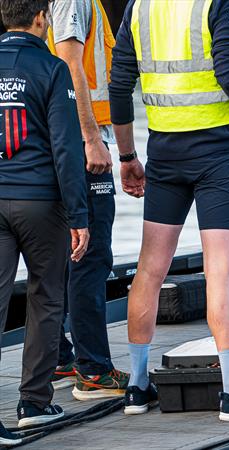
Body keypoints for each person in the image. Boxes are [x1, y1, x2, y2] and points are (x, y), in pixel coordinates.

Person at [109, 0, 229, 420]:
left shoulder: (139, 6)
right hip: (219, 154)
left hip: (164, 151)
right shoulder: (219, 2)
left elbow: (119, 85)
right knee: (222, 272)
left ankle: (137, 388)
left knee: (150, 269)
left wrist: (127, 156)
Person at [0, 0, 90, 436]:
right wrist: (79, 214)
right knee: (46, 297)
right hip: (41, 202)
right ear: (41, 18)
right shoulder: (53, 70)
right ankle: (33, 402)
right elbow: (66, 149)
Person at [46, 0, 130, 401]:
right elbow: (70, 66)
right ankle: (93, 371)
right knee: (90, 256)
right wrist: (91, 139)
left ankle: (61, 358)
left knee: (66, 254)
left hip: (63, 141)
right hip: (82, 144)